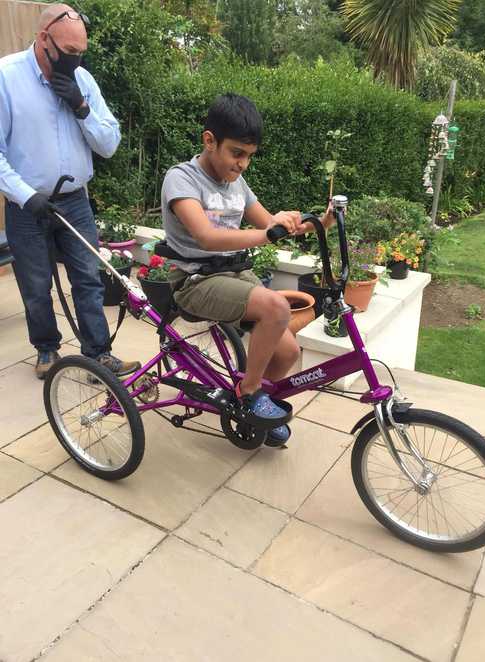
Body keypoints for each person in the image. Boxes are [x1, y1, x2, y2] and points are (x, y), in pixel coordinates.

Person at [162, 93, 335, 446]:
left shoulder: (237, 183)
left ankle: (254, 411)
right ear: (209, 141)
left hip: (235, 274)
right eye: (237, 153)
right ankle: (249, 393)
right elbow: (207, 237)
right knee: (277, 308)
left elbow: (269, 223)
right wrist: (266, 234)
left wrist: (312, 222)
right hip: (195, 280)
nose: (243, 164)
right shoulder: (181, 179)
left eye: (249, 156)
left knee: (287, 352)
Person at [0, 3, 140, 379]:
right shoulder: (6, 77)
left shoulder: (84, 82)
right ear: (43, 38)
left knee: (88, 278)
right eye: (69, 53)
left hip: (75, 201)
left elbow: (109, 143)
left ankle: (98, 352)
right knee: (34, 285)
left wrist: (80, 106)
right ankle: (47, 350)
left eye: (81, 54)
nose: (75, 62)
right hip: (27, 205)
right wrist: (26, 194)